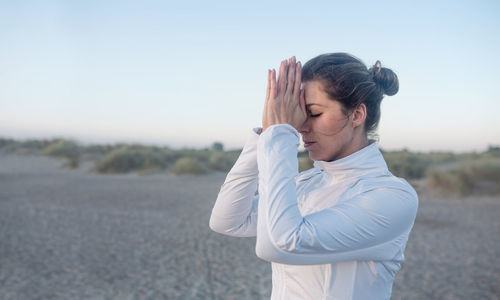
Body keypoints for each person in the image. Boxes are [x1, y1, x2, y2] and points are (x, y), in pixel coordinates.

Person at [209, 53, 418, 300]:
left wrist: (280, 135)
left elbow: (281, 244)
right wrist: (266, 132)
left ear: (357, 115)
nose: (300, 127)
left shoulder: (392, 197)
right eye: (298, 114)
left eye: (315, 113)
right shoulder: (305, 183)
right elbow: (228, 220)